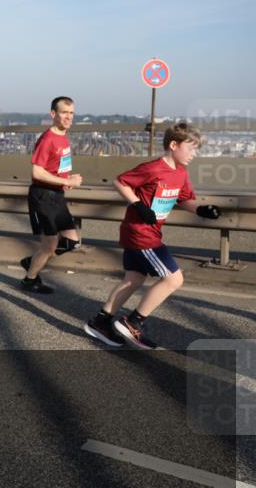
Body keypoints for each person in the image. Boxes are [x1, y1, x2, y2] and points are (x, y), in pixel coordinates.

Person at [83, 123, 222, 349]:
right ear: (174, 145)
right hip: (141, 233)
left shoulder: (181, 172)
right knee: (174, 278)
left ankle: (100, 321)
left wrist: (201, 209)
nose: (194, 154)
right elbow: (121, 181)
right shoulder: (153, 168)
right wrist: (138, 205)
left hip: (146, 232)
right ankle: (133, 322)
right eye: (191, 148)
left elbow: (185, 198)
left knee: (134, 279)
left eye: (197, 149)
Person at [19, 96, 84, 294]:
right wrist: (67, 181)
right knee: (49, 245)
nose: (69, 117)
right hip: (43, 197)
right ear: (53, 114)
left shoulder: (63, 136)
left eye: (71, 113)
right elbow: (37, 173)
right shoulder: (48, 139)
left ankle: (33, 261)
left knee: (72, 241)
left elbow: (55, 168)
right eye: (64, 112)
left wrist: (67, 177)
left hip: (56, 195)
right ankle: (30, 280)